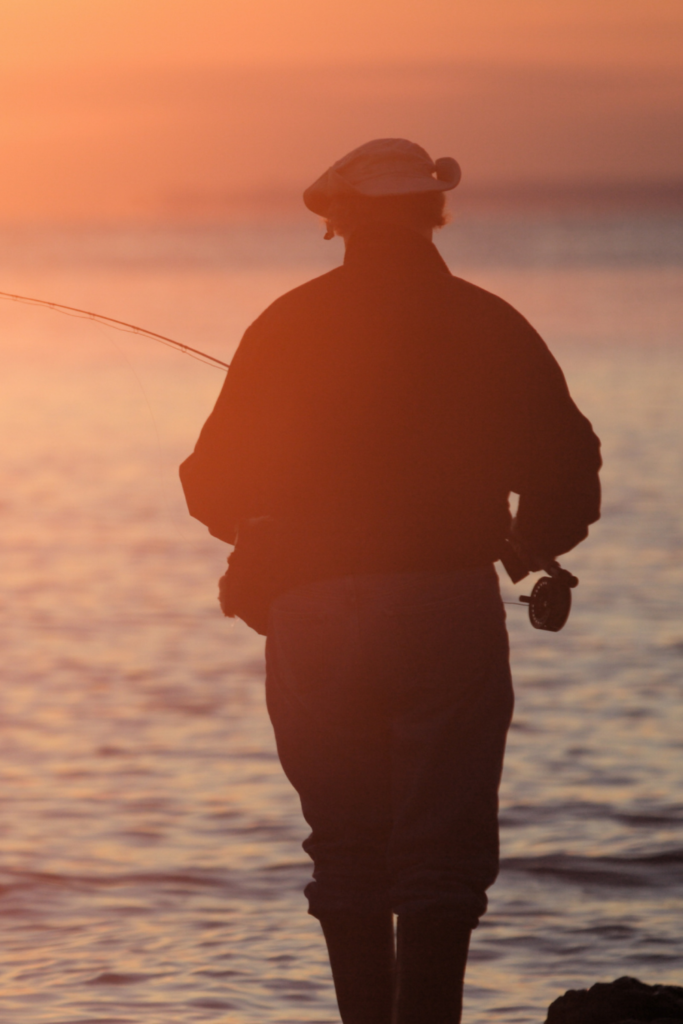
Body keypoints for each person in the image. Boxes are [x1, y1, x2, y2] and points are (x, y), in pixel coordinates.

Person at [179, 138, 601, 1024]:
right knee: (442, 855)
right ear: (432, 214)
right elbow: (569, 463)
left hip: (314, 611)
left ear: (338, 219)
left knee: (347, 849)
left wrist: (261, 535)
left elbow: (209, 481)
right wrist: (529, 538)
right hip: (445, 602)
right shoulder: (489, 321)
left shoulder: (286, 323)